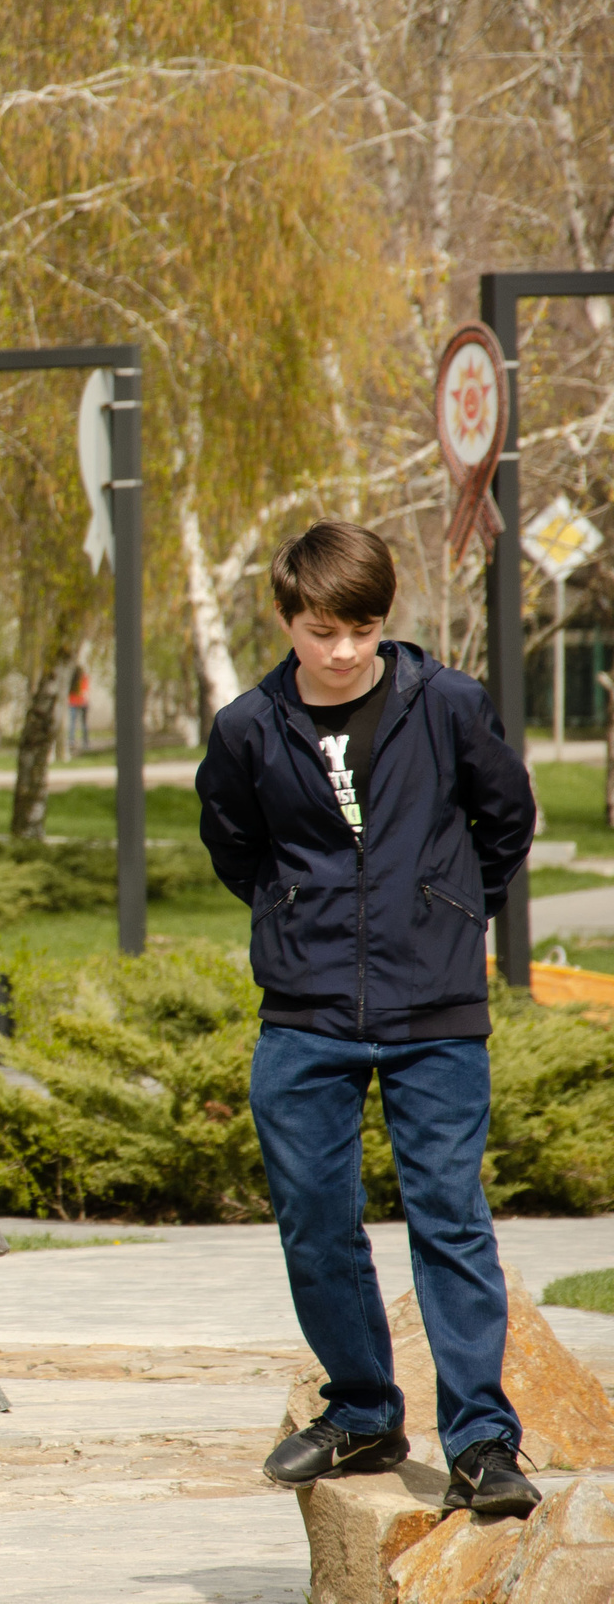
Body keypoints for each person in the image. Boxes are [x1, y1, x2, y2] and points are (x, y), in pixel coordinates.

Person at [196, 519, 540, 1517]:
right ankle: (360, 1409)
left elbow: (505, 818)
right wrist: (290, 911)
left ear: (383, 621)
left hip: (435, 1008)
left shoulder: (448, 703)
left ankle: (482, 1443)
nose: (343, 650)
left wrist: (448, 910)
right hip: (304, 1011)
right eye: (321, 631)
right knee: (313, 1219)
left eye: (362, 628)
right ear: (285, 619)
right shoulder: (248, 727)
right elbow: (232, 841)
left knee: (449, 1220)